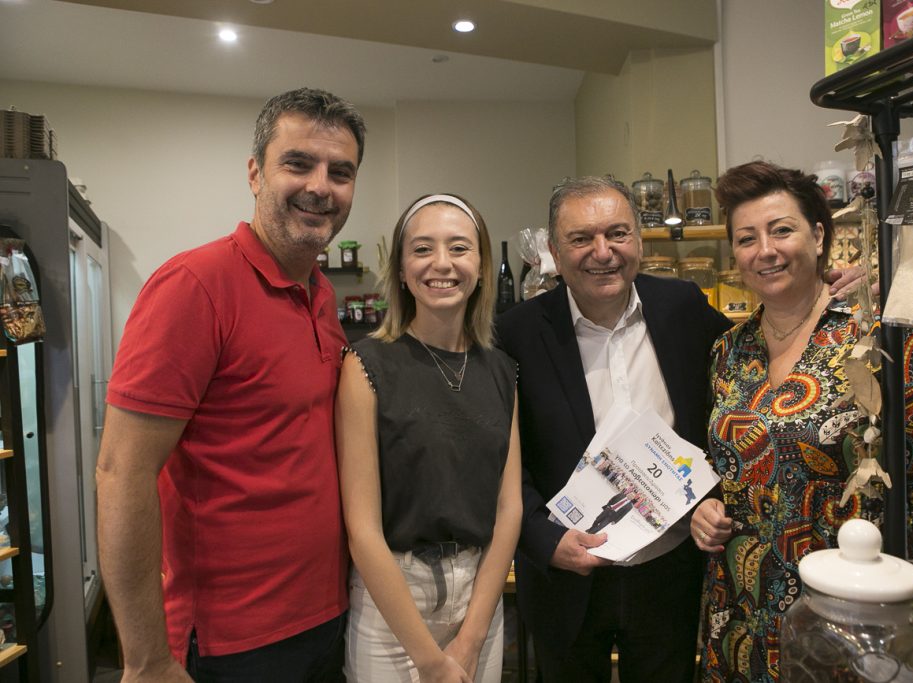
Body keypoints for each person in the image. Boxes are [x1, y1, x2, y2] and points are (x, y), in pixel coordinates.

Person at [690, 160, 913, 683]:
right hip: (739, 616)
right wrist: (707, 508)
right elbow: (729, 470)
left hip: (852, 621)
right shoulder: (728, 351)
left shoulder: (885, 342)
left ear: (818, 236)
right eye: (746, 238)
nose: (765, 250)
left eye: (781, 230)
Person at [96, 87, 366, 682]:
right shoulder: (194, 286)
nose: (320, 186)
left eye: (340, 172)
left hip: (326, 618)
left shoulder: (320, 295)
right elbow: (121, 473)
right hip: (230, 643)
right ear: (255, 173)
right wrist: (145, 660)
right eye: (298, 163)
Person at [495, 175, 734, 682]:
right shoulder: (516, 332)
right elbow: (500, 457)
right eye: (581, 238)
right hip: (566, 576)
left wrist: (822, 291)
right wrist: (543, 539)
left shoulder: (683, 307)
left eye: (617, 234)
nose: (602, 252)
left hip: (671, 570)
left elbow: (753, 356)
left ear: (638, 241)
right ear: (554, 252)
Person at [337, 194, 521, 683]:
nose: (442, 263)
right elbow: (362, 528)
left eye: (459, 248)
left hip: (479, 599)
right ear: (401, 270)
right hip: (393, 606)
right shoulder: (365, 365)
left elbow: (509, 508)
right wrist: (430, 660)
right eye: (422, 249)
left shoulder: (502, 370)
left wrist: (472, 637)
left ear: (481, 266)